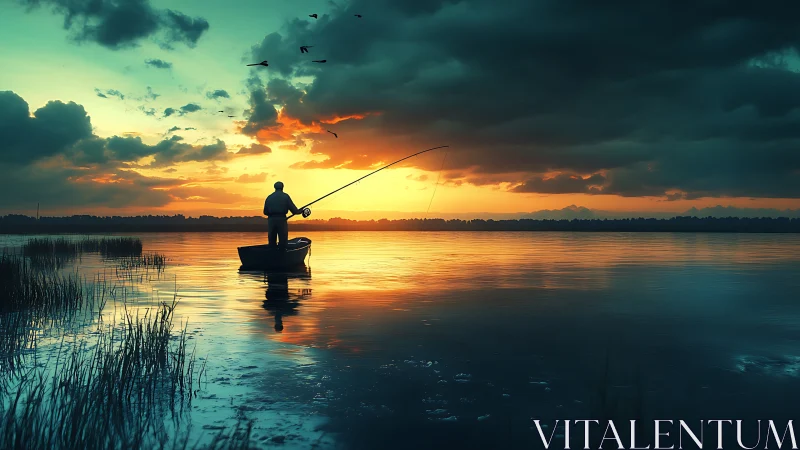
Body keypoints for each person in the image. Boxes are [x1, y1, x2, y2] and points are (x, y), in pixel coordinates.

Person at [263, 181, 301, 250]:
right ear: (282, 187)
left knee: (271, 240)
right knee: (283, 240)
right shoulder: (285, 196)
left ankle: (272, 254)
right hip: (282, 219)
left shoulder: (269, 197)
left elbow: (265, 212)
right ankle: (282, 254)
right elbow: (294, 211)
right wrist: (300, 211)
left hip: (271, 220)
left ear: (274, 187)